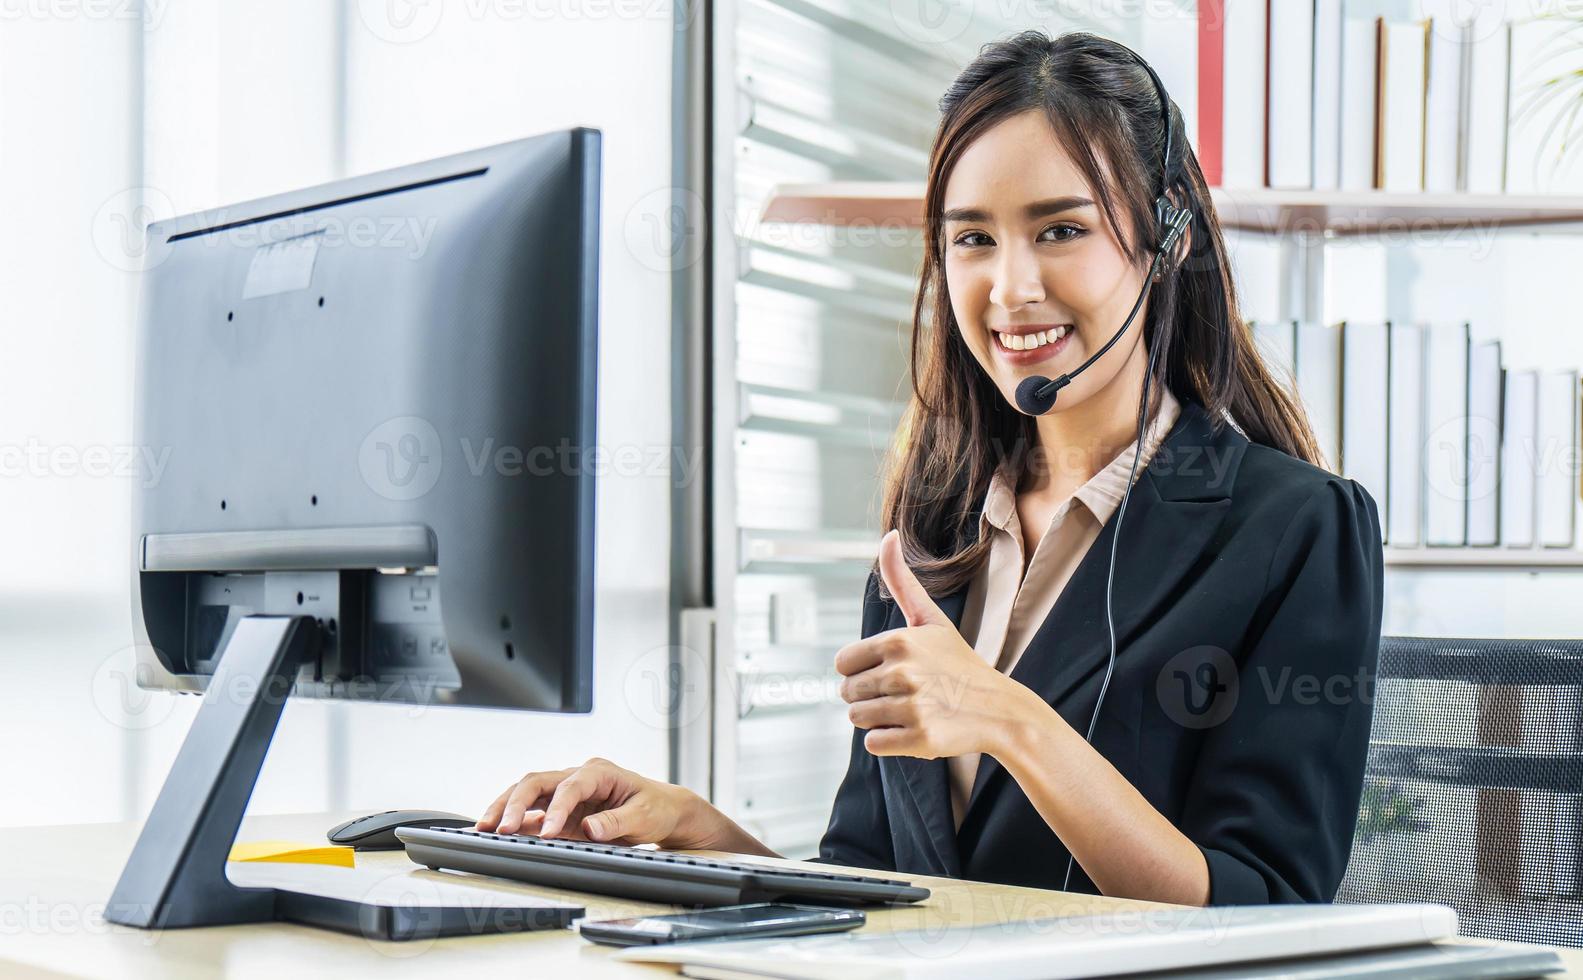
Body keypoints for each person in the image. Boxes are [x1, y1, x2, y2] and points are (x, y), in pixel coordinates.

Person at [473, 30, 1383, 907]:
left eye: (1060, 230)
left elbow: (1268, 909)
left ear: (1169, 237)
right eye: (972, 239)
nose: (1010, 287)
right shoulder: (935, 533)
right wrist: (696, 833)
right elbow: (872, 881)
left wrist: (1009, 720)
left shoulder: (1295, 528)